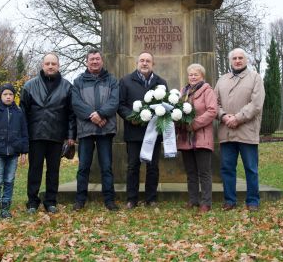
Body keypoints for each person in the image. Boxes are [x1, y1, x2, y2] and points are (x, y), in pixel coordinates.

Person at [20, 53, 76, 214]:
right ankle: (32, 201)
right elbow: (23, 113)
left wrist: (71, 136)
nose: (50, 66)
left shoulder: (67, 86)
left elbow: (71, 114)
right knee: (34, 169)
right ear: (42, 65)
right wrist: (24, 137)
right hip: (35, 135)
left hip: (56, 135)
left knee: (54, 170)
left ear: (58, 66)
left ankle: (51, 201)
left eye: (53, 64)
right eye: (47, 63)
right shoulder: (29, 86)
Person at [214, 48, 265, 211]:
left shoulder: (255, 78)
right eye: (234, 58)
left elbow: (256, 104)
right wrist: (223, 116)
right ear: (230, 61)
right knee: (227, 168)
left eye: (240, 58)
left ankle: (252, 201)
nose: (237, 60)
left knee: (251, 168)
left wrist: (238, 118)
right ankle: (230, 200)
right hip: (226, 132)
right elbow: (215, 103)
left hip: (246, 131)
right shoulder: (222, 80)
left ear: (246, 60)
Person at [71, 49, 119, 211]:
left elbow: (114, 101)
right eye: (92, 59)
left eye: (97, 59)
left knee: (106, 167)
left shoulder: (112, 80)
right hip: (86, 131)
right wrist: (93, 116)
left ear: (102, 61)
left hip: (106, 130)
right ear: (87, 61)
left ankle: (109, 200)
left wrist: (101, 114)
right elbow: (76, 104)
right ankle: (80, 200)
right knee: (83, 167)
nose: (95, 62)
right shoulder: (78, 82)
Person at [118, 51, 167, 209]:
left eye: (148, 61)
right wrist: (131, 117)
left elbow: (167, 106)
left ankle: (151, 199)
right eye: (142, 60)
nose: (144, 63)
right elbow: (120, 104)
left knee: (153, 167)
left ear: (153, 64)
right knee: (133, 166)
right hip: (133, 131)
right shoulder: (126, 81)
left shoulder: (161, 83)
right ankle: (132, 199)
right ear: (137, 63)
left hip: (154, 132)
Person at [0, 83, 29, 218]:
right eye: (5, 94)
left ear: (14, 97)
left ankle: (6, 207)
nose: (8, 97)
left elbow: (24, 133)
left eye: (11, 94)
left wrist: (24, 152)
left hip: (13, 153)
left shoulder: (19, 112)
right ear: (0, 96)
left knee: (9, 180)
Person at [176, 64, 217, 213]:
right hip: (186, 138)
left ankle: (206, 202)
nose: (193, 77)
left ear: (202, 76)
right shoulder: (183, 92)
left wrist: (194, 124)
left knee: (204, 172)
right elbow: (177, 111)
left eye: (196, 74)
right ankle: (193, 200)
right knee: (191, 172)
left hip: (202, 137)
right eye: (190, 74)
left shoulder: (207, 90)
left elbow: (212, 111)